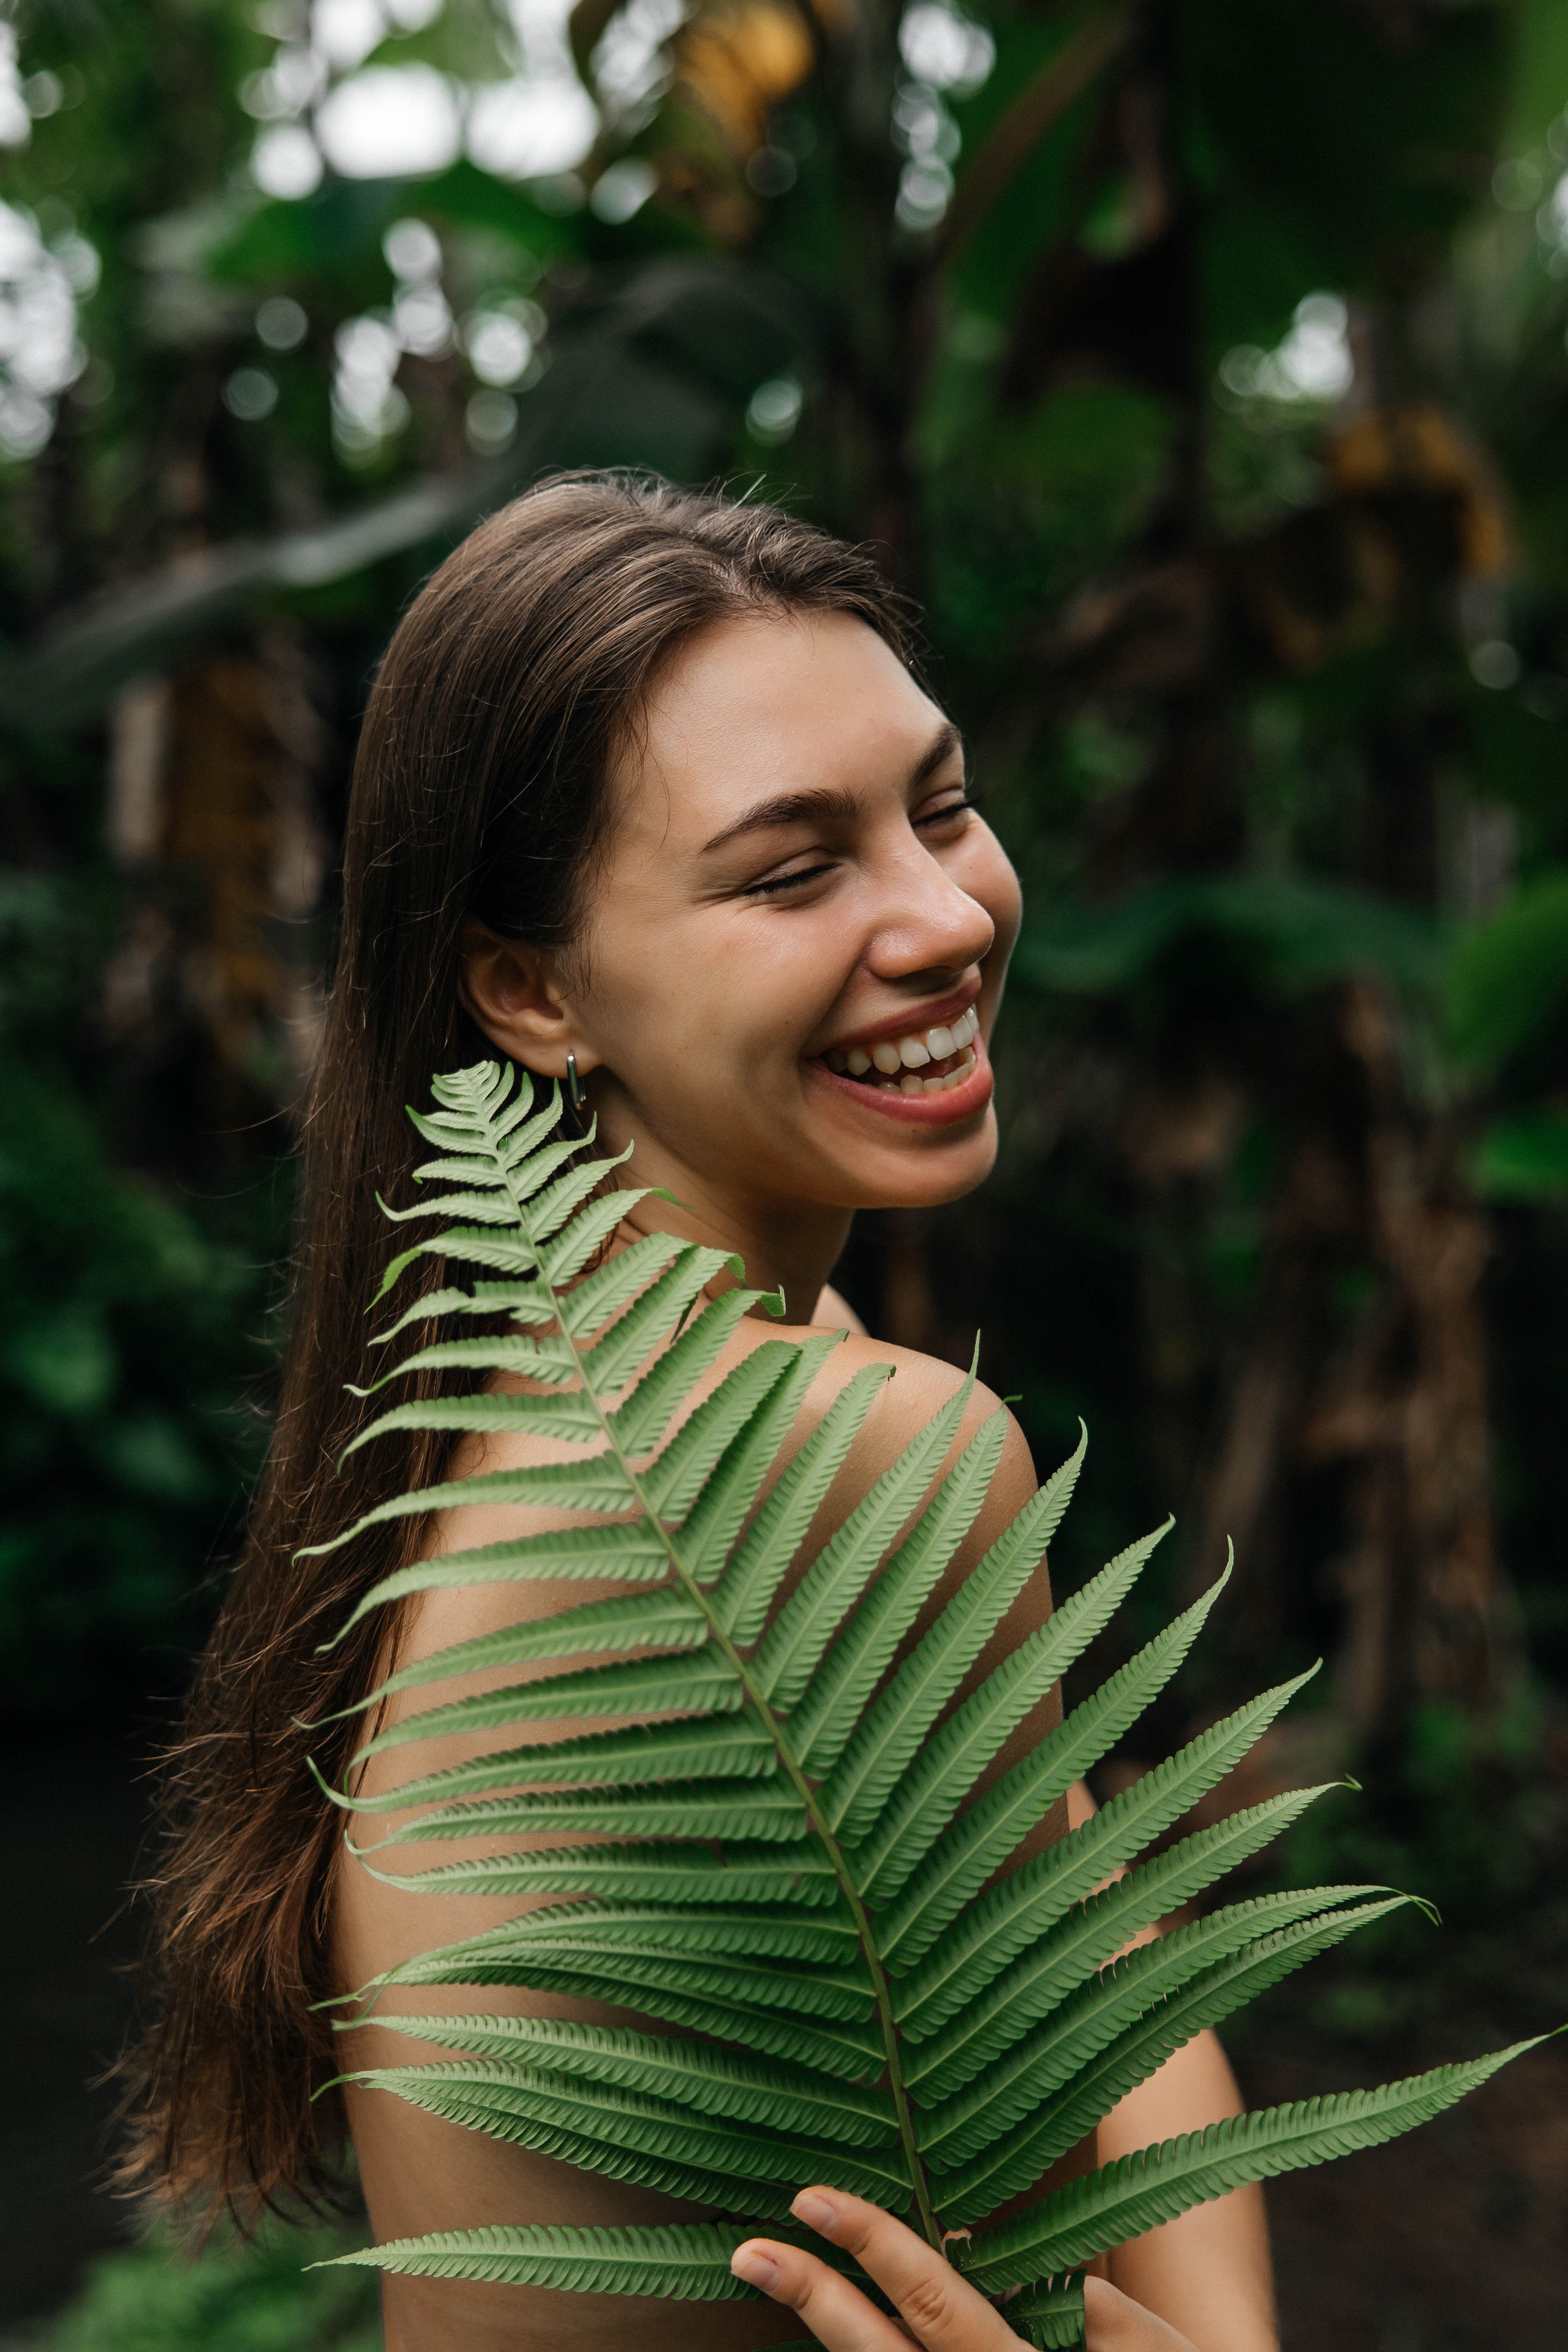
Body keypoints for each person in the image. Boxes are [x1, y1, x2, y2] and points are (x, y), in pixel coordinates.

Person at [127, 475, 1278, 2352]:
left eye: (943, 805)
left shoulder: (514, 1386)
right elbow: (1082, 2274)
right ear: (530, 991)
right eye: (790, 867)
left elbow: (1097, 1928)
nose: (944, 917)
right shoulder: (847, 1459)